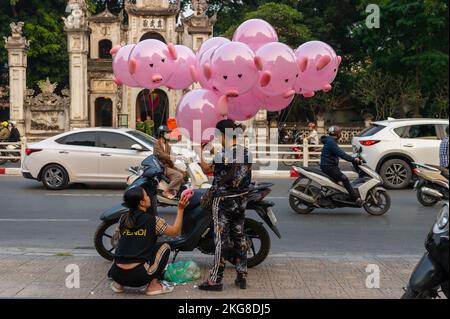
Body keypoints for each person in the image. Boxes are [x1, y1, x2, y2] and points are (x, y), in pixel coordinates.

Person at [198, 119, 253, 291]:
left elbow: (207, 168)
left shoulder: (222, 155)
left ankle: (215, 280)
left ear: (224, 135)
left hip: (223, 202)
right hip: (241, 201)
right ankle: (242, 276)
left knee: (221, 241)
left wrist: (201, 151)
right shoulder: (246, 153)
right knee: (239, 238)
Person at [109, 186, 190, 296]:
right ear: (142, 202)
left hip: (116, 273)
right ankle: (153, 286)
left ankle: (119, 284)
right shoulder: (153, 221)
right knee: (165, 246)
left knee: (124, 245)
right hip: (139, 276)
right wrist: (180, 209)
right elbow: (175, 231)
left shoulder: (123, 218)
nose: (149, 197)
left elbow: (118, 240)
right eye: (146, 195)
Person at [320, 126, 363, 205]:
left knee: (338, 182)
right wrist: (354, 159)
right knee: (345, 179)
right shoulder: (331, 142)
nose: (340, 135)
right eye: (340, 133)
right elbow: (341, 154)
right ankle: (356, 198)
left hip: (328, 166)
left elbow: (339, 152)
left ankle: (336, 196)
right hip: (329, 167)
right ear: (337, 134)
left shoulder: (329, 140)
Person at [154, 125, 184, 199]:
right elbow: (161, 154)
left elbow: (170, 157)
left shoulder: (167, 145)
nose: (169, 134)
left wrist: (177, 159)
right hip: (161, 167)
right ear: (161, 134)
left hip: (168, 166)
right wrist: (171, 157)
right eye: (167, 133)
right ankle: (166, 191)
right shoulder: (157, 143)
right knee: (179, 176)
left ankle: (175, 192)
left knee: (183, 173)